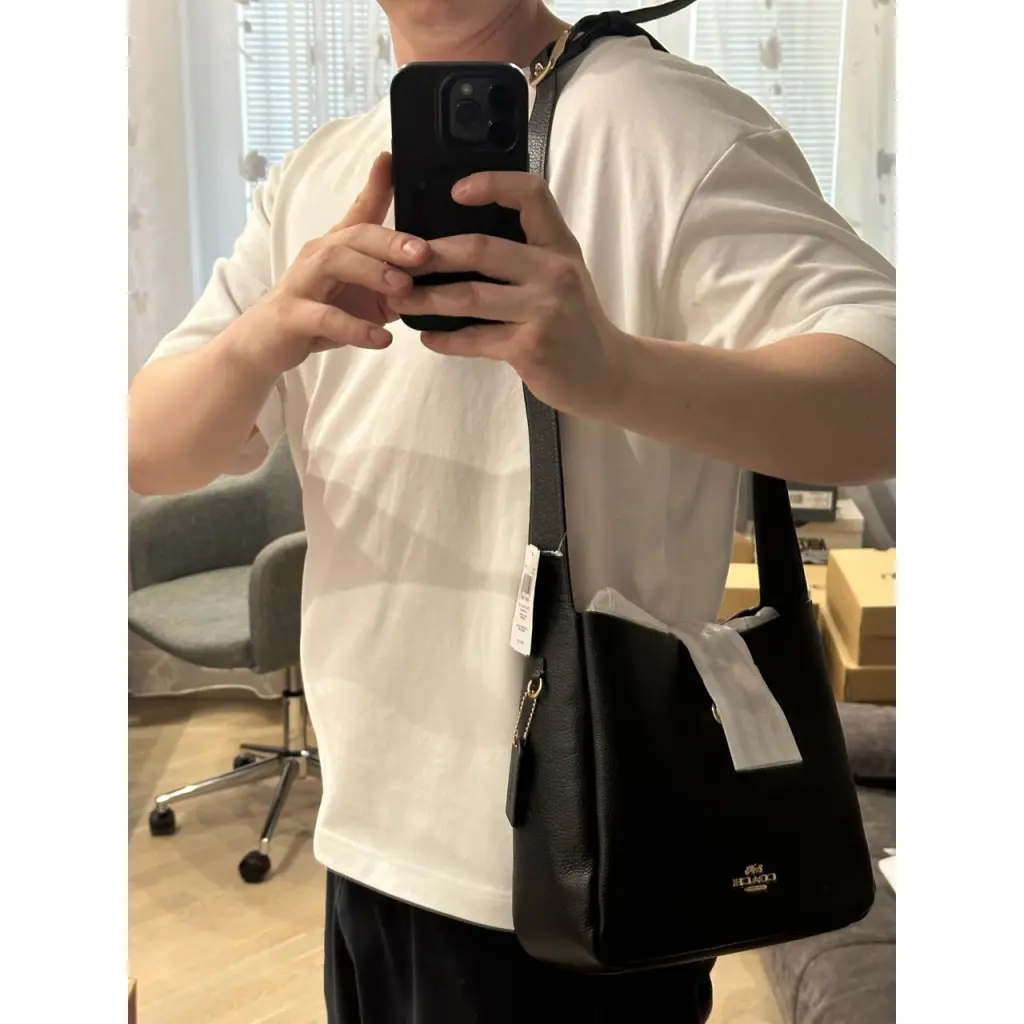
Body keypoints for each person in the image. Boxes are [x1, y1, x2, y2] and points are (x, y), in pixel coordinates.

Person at [128, 1, 896, 1020]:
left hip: (585, 860)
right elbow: (147, 450)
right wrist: (255, 341)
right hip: (363, 835)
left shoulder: (672, 126)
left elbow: (895, 401)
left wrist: (615, 371)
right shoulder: (318, 174)